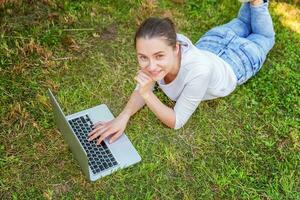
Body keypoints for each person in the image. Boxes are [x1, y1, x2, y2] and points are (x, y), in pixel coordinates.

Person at [88, 0, 275, 144]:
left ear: (176, 48)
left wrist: (147, 93)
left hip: (239, 60)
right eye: (143, 57)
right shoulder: (163, 42)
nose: (151, 66)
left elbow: (176, 121)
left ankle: (258, 2)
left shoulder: (198, 72)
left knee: (264, 37)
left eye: (159, 56)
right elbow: (144, 84)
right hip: (213, 43)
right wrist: (122, 117)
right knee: (243, 21)